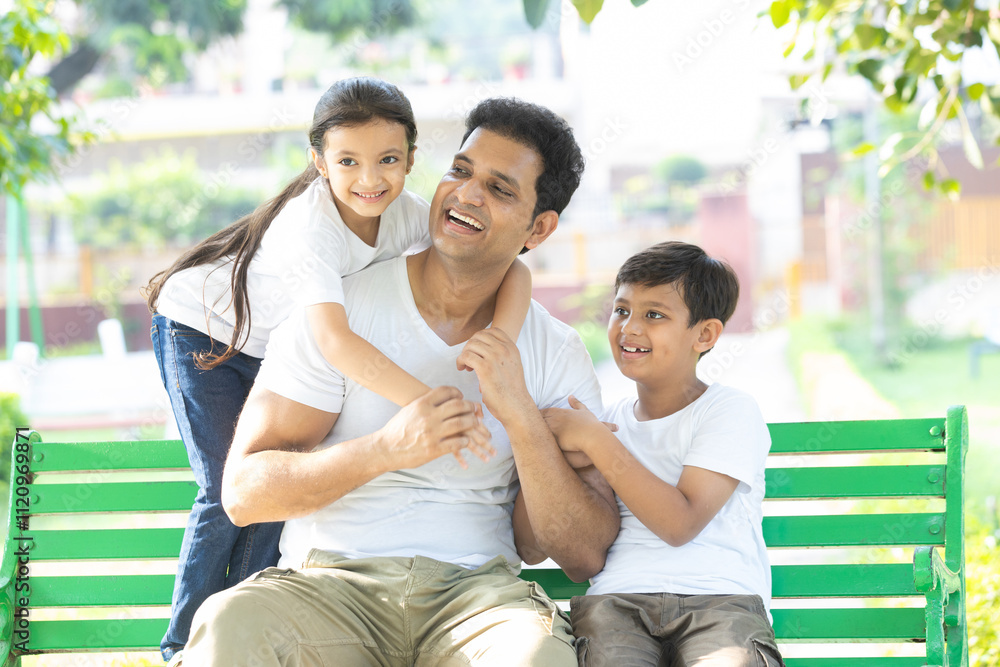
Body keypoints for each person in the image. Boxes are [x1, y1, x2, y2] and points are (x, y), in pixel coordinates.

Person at [177, 97, 620, 666]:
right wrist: (386, 449)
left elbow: (583, 555)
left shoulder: (555, 352)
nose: (465, 194)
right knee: (230, 625)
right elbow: (244, 494)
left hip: (477, 601)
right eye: (460, 170)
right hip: (328, 589)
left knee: (536, 656)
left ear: (539, 228)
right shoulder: (339, 310)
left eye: (499, 189)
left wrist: (521, 416)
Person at [535, 241, 784, 666]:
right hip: (617, 602)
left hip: (720, 601)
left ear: (704, 335)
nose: (630, 327)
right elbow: (576, 550)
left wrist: (596, 443)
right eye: (622, 310)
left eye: (654, 315)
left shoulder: (728, 410)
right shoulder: (606, 421)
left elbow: (679, 524)